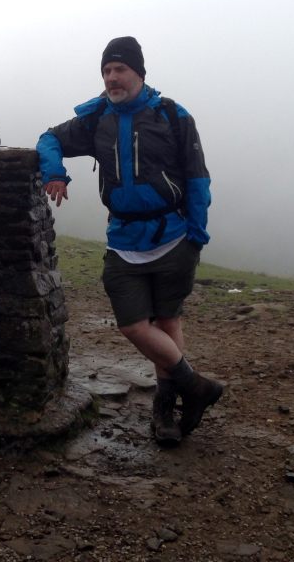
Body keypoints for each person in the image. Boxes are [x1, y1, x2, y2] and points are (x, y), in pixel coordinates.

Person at [36, 36, 223, 445]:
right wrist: (55, 172)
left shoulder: (173, 116)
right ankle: (197, 387)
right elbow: (48, 138)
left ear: (139, 72)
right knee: (134, 325)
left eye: (119, 70)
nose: (112, 78)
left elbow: (197, 178)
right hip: (122, 238)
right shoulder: (96, 118)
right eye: (106, 71)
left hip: (173, 237)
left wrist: (196, 235)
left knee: (168, 321)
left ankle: (165, 412)